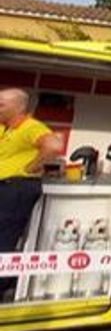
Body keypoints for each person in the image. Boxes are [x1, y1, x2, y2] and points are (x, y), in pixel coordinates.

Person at [0, 88, 62, 300]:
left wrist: (33, 166)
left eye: (2, 104)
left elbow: (54, 145)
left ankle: (2, 286)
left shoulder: (30, 126)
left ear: (19, 107)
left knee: (4, 239)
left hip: (16, 188)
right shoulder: (5, 128)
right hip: (5, 186)